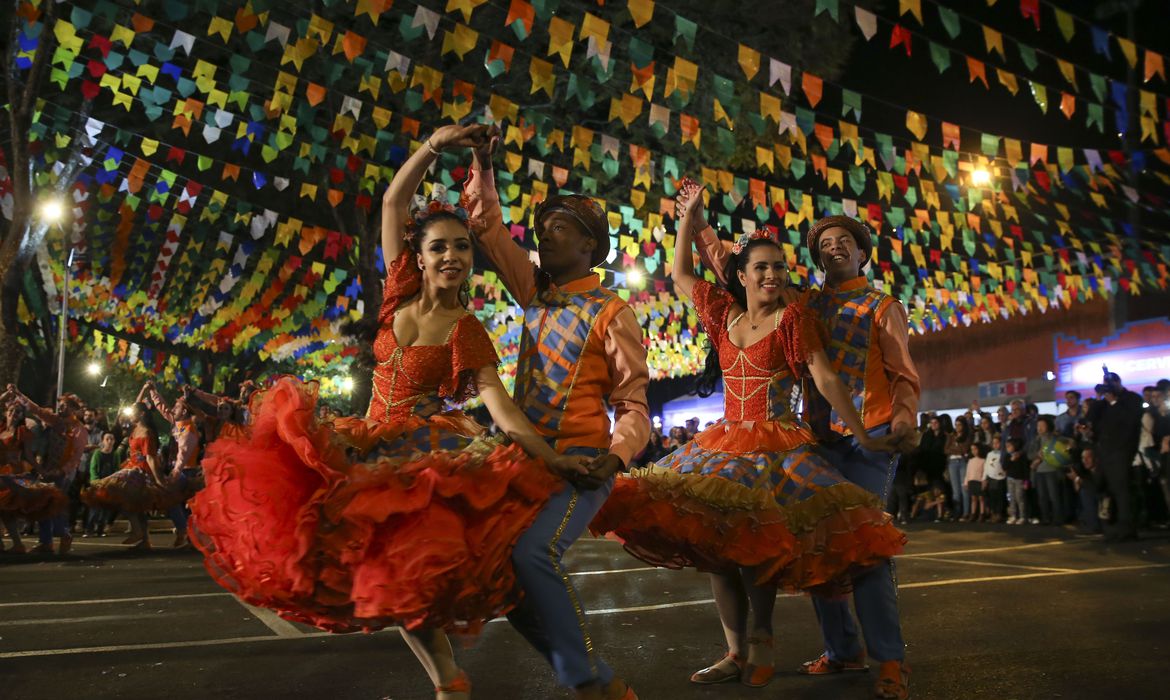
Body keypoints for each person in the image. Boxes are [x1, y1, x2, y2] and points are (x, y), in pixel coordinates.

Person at [191, 123, 590, 700]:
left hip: (424, 456)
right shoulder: (398, 291)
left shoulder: (468, 330)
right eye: (439, 247)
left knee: (412, 571)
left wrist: (553, 458)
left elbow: (501, 409)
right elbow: (393, 201)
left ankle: (497, 678)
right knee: (371, 571)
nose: (452, 255)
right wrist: (437, 143)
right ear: (420, 259)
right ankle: (448, 678)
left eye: (461, 246)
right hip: (366, 442)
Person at [593, 186, 904, 690]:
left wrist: (866, 436)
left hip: (779, 445)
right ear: (741, 276)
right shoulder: (723, 314)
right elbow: (681, 275)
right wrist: (689, 219)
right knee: (717, 547)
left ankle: (764, 643)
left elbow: (823, 378)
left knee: (758, 547)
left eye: (779, 267)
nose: (773, 275)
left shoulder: (794, 317)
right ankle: (735, 651)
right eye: (761, 268)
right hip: (722, 443)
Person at [464, 126, 648, 700]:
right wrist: (482, 164)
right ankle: (596, 681)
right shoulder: (535, 292)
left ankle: (583, 680)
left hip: (583, 465)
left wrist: (614, 460)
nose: (545, 234)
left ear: (590, 246)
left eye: (559, 228)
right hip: (522, 461)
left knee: (532, 553)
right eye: (542, 228)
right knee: (502, 580)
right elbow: (487, 229)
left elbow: (634, 404)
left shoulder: (613, 311)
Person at [81, 397, 178, 550]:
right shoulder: (134, 429)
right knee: (136, 505)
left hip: (140, 472)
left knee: (122, 496)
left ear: (141, 414)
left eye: (134, 411)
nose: (131, 414)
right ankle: (144, 540)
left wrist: (158, 479)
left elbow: (150, 458)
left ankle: (138, 532)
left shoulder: (146, 433)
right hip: (131, 467)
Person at [0, 399, 68, 554]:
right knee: (4, 511)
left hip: (14, 474)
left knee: (40, 503)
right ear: (5, 412)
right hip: (1, 471)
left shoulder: (22, 432)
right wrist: (8, 395)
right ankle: (17, 545)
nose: (13, 414)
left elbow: (29, 456)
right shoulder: (1, 429)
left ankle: (59, 536)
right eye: (11, 411)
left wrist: (42, 471)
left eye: (18, 412)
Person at [1090, 372, 1144, 540]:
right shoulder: (1104, 403)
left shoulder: (1132, 399)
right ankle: (1110, 527)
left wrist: (1114, 401)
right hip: (1104, 451)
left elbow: (1130, 420)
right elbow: (1091, 417)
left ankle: (1126, 528)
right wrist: (1099, 398)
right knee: (1104, 488)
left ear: (1118, 383)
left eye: (1110, 384)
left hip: (1123, 450)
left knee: (1122, 490)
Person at [86, 433, 120, 536]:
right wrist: (96, 481)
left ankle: (100, 530)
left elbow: (117, 470)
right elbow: (93, 468)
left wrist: (113, 482)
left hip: (109, 484)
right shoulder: (97, 453)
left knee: (106, 509)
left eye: (111, 439)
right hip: (98, 484)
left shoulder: (115, 454)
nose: (109, 441)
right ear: (103, 441)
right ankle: (89, 529)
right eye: (107, 439)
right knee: (95, 508)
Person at [945, 416, 974, 519]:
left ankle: (966, 513)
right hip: (952, 462)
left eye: (959, 425)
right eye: (956, 424)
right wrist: (956, 449)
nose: (957, 427)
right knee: (955, 490)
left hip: (962, 462)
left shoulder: (967, 436)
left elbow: (965, 449)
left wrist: (956, 448)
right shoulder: (952, 436)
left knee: (964, 489)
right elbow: (946, 449)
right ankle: (957, 512)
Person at [1004, 438, 1031, 525]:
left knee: (1020, 498)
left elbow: (1025, 469)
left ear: (1015, 446)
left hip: (1019, 479)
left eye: (1009, 446)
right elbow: (1004, 467)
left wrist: (1026, 481)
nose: (1007, 448)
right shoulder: (1007, 456)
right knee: (1011, 498)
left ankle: (1023, 516)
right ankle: (1013, 516)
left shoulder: (1022, 456)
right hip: (1010, 479)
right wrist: (1011, 460)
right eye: (1006, 446)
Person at [983, 435, 1007, 522]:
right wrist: (984, 478)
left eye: (997, 443)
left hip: (1001, 478)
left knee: (1000, 497)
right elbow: (986, 466)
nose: (995, 445)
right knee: (992, 497)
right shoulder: (990, 454)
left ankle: (1000, 514)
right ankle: (993, 513)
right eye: (994, 443)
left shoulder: (1004, 453)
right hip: (991, 478)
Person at [965, 443, 987, 522]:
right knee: (973, 498)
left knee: (981, 498)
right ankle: (973, 514)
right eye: (972, 449)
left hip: (979, 481)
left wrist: (984, 481)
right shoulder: (970, 461)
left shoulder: (983, 460)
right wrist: (966, 482)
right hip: (971, 481)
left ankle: (982, 514)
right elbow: (967, 472)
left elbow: (985, 472)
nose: (973, 451)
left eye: (975, 449)